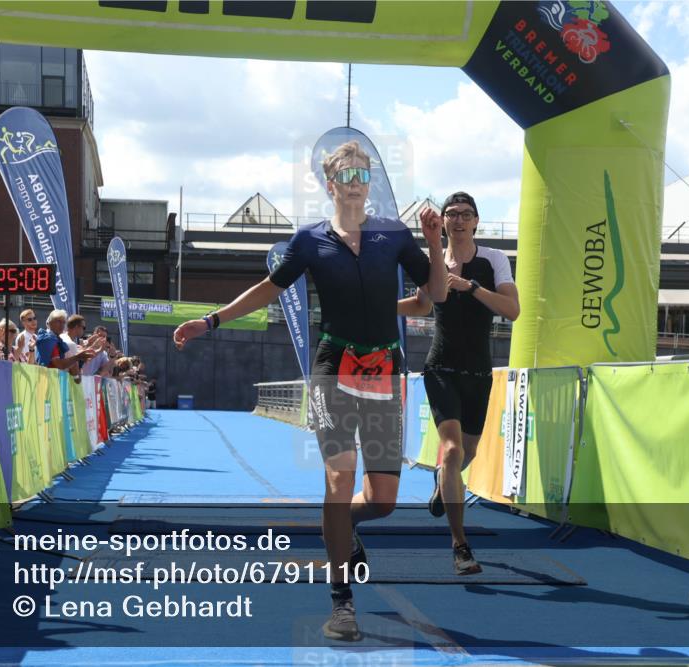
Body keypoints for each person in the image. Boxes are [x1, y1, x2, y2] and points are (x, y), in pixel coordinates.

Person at [173, 140, 447, 641]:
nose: (356, 182)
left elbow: (437, 297)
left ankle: (346, 528)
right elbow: (267, 290)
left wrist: (433, 243)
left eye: (363, 173)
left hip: (385, 371)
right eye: (347, 174)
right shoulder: (309, 240)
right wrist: (210, 320)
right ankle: (342, 602)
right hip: (333, 368)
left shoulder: (394, 234)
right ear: (330, 184)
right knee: (339, 481)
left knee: (384, 500)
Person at [398, 191, 519, 575]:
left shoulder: (494, 260)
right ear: (444, 221)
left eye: (466, 214)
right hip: (441, 368)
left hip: (478, 371)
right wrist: (379, 307)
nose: (459, 220)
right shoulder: (434, 260)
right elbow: (422, 305)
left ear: (477, 221)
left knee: (467, 453)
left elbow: (512, 310)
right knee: (450, 451)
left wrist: (472, 287)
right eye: (452, 214)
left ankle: (442, 480)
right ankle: (460, 546)